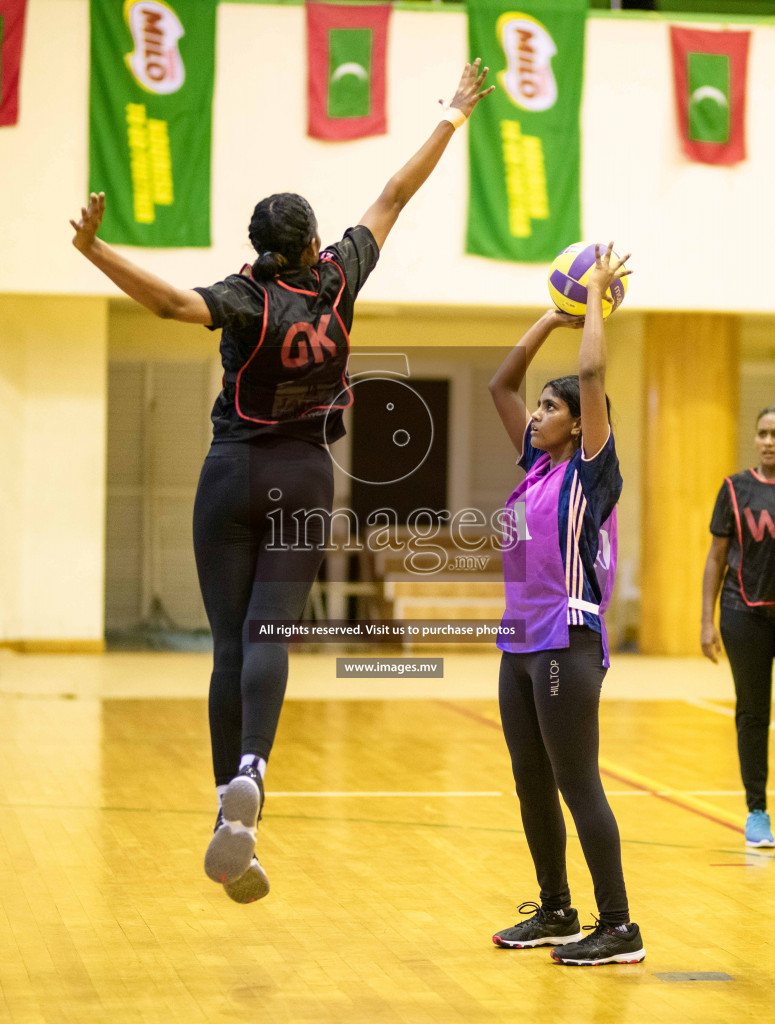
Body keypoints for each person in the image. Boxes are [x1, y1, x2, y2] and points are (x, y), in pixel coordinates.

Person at [71, 60, 494, 904]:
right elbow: (392, 194)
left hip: (229, 473)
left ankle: (229, 811)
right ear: (309, 244)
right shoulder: (338, 277)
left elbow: (163, 304)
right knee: (272, 636)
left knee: (227, 646)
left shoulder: (240, 297)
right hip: (303, 476)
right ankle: (255, 771)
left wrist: (94, 249)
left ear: (259, 248)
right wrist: (449, 115)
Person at [487, 244, 645, 966]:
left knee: (576, 782)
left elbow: (589, 373)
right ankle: (555, 910)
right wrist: (551, 315)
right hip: (518, 643)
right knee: (529, 780)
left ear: (579, 425)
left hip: (565, 642)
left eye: (550, 409)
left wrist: (593, 304)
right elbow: (500, 383)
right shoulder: (536, 471)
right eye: (542, 407)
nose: (537, 414)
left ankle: (618, 927)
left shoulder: (589, 473)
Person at [701, 407, 775, 848]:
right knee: (753, 712)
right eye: (763, 432)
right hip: (743, 613)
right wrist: (705, 622)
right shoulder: (735, 488)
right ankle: (757, 812)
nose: (769, 441)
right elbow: (715, 557)